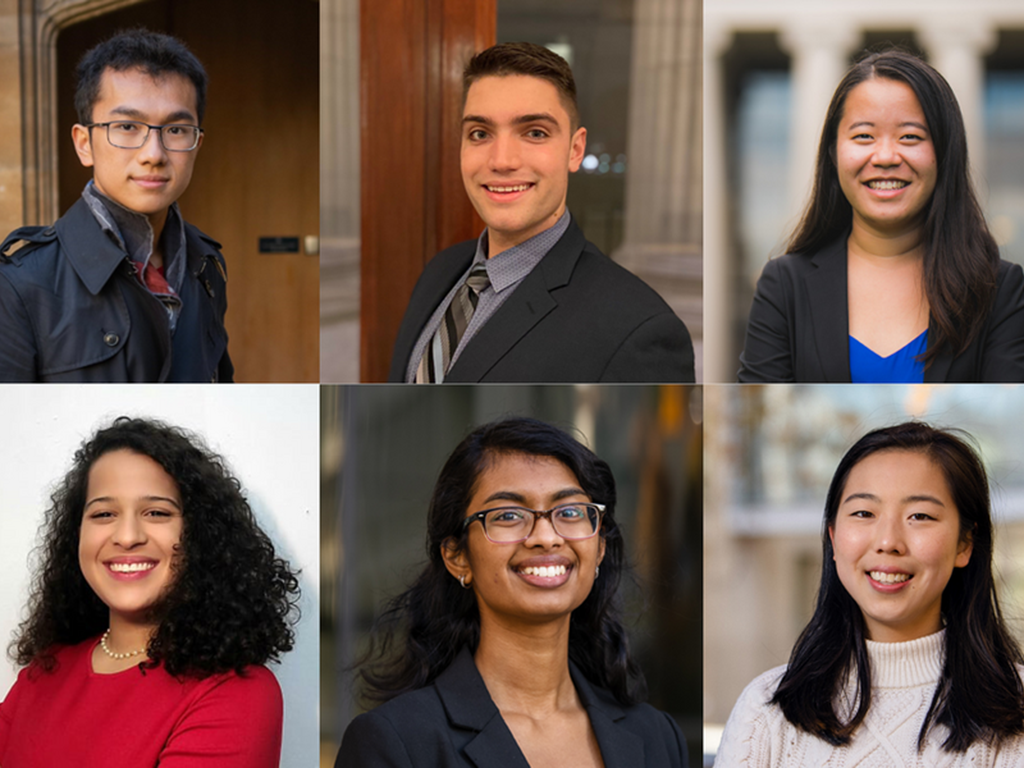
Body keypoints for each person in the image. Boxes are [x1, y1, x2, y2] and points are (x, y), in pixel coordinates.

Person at [336, 417, 688, 767]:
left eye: (569, 511)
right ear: (457, 557)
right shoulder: (397, 741)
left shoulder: (656, 736)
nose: (546, 537)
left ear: (598, 547)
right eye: (508, 515)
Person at [715, 422, 1024, 767]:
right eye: (864, 513)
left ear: (965, 543)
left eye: (919, 516)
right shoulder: (765, 712)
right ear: (833, 536)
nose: (888, 541)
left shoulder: (1017, 712)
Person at [0, 417, 300, 766]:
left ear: (201, 534)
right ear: (75, 534)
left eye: (157, 513)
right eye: (103, 513)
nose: (127, 536)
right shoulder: (44, 672)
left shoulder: (237, 693)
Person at [388, 43, 694, 384]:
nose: (502, 160)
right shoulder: (439, 271)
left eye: (535, 132)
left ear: (575, 150)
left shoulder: (638, 330)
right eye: (480, 133)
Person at [738, 49, 1024, 383]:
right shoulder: (784, 286)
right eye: (863, 136)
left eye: (910, 137)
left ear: (944, 152)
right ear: (833, 153)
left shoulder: (998, 291)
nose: (886, 156)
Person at [0, 29, 231, 382]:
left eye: (176, 130)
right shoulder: (20, 282)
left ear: (197, 143)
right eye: (126, 126)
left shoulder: (206, 266)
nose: (153, 154)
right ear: (84, 144)